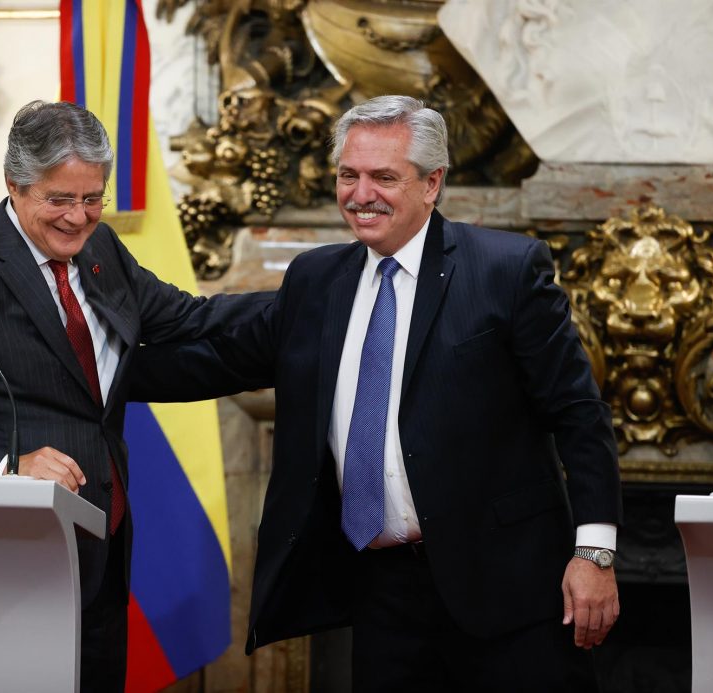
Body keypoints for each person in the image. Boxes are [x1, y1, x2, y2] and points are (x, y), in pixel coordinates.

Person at [130, 95, 623, 691]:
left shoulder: (506, 269)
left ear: (431, 183)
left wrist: (593, 553)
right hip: (383, 595)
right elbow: (212, 353)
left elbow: (579, 415)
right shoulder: (316, 279)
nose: (361, 194)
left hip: (510, 593)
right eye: (348, 175)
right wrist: (83, 368)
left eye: (384, 177)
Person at [0, 99, 269, 692]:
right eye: (61, 200)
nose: (79, 218)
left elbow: (191, 322)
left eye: (92, 199)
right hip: (15, 558)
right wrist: (7, 467)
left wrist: (312, 301)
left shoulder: (101, 252)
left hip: (105, 540)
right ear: (15, 185)